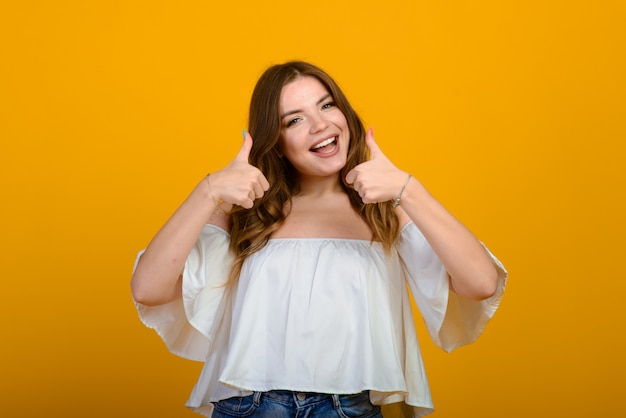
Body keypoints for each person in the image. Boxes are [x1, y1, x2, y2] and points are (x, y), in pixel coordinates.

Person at [131, 60, 507, 418]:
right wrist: (208, 190)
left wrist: (409, 190)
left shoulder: (385, 207)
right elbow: (148, 288)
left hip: (355, 408)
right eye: (294, 119)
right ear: (276, 141)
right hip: (252, 407)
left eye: (327, 105)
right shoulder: (245, 210)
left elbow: (480, 283)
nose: (320, 124)